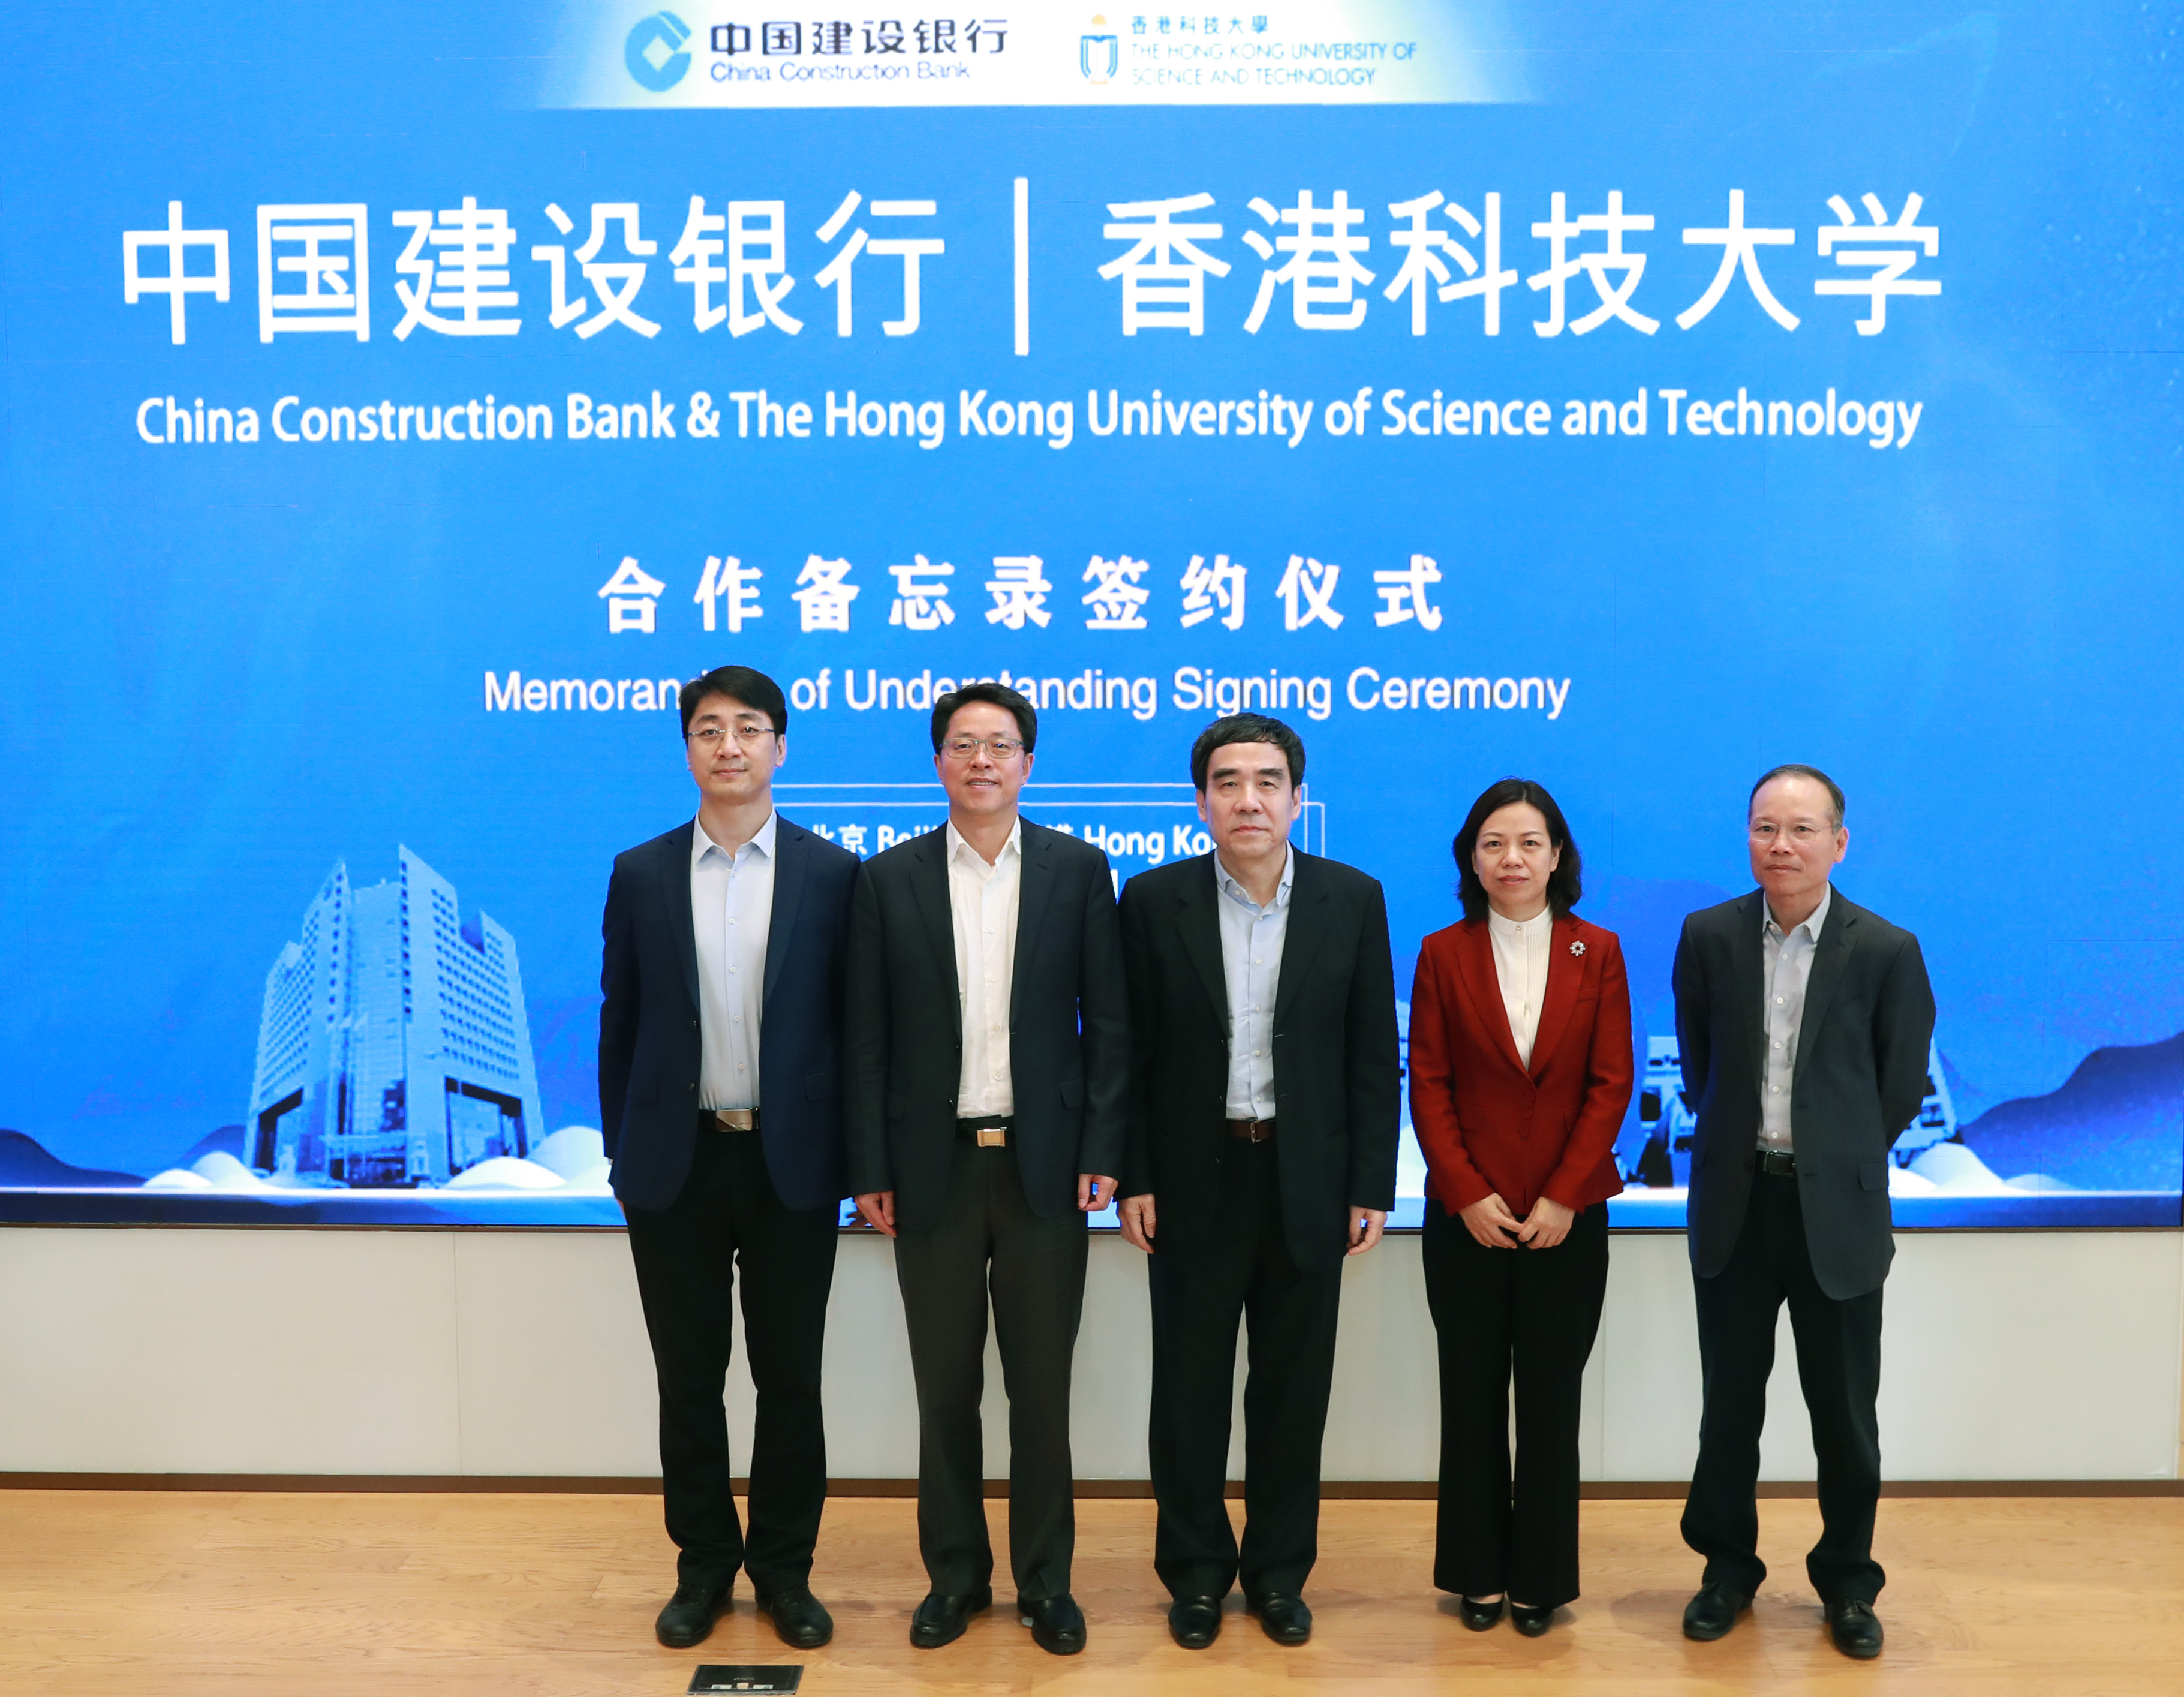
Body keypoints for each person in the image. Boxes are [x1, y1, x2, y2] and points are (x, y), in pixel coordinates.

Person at [844, 682, 1129, 1657]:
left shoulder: (1080, 871)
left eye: (999, 746)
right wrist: (868, 1166)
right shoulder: (888, 881)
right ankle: (956, 1577)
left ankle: (1047, 1583)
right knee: (945, 1388)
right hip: (931, 1170)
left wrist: (1102, 1151)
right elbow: (867, 1041)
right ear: (938, 763)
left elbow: (1110, 1028)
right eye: (962, 745)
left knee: (1042, 1391)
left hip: (1045, 1169)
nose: (981, 761)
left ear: (1027, 763)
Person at [1117, 713, 1400, 1650]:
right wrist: (1136, 1175)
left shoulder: (1351, 899)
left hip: (1304, 1177)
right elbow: (1129, 1050)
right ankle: (1195, 1575)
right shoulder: (1153, 901)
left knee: (1291, 1391)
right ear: (1200, 800)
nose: (1248, 798)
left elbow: (1370, 1057)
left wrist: (1369, 1182)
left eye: (1267, 780)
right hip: (1191, 1181)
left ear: (1294, 797)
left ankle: (1278, 1575)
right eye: (1228, 781)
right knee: (1188, 1392)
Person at [597, 664, 859, 1651]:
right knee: (689, 1380)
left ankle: (784, 1571)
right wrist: (626, 1156)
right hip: (676, 1168)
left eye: (750, 728)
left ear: (780, 746)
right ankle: (703, 1566)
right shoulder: (642, 871)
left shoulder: (834, 875)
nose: (730, 746)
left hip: (791, 1166)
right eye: (709, 729)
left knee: (791, 1379)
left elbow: (853, 1031)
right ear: (689, 748)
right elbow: (620, 1026)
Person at [1675, 765, 1935, 1660]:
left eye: (1798, 829)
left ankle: (1847, 1583)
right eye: (1762, 828)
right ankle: (1724, 1570)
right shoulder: (1707, 936)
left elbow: (1897, 1085)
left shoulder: (1883, 949)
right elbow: (1704, 1068)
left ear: (1838, 841)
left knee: (1843, 1413)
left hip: (1837, 1213)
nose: (1778, 846)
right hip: (1735, 1203)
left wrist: (1830, 1153)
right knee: (1727, 1407)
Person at [1407, 778, 1634, 1638]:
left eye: (1529, 842)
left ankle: (1540, 1577)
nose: (1512, 858)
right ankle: (1475, 1572)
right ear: (1471, 856)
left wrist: (1562, 1196)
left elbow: (1611, 1082)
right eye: (1494, 842)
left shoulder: (1598, 951)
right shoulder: (1441, 952)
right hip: (1465, 1220)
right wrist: (1464, 1191)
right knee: (1468, 1398)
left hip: (1564, 1222)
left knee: (1549, 1401)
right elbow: (1427, 1082)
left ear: (1557, 855)